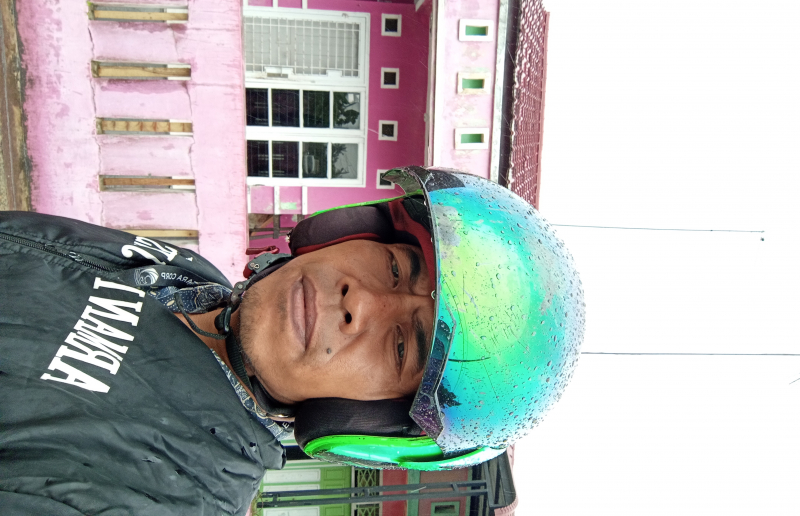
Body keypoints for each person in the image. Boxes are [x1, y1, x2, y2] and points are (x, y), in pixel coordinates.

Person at [0, 166, 585, 514]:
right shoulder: (187, 275)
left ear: (372, 420)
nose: (361, 303)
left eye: (402, 347)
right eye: (395, 267)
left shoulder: (172, 493)